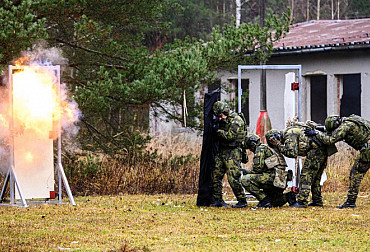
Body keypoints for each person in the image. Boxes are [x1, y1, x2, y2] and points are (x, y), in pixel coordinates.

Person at [305, 114, 370, 208]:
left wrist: (315, 133)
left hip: (368, 150)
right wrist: (318, 129)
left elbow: (330, 140)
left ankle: (351, 202)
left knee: (355, 174)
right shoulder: (352, 119)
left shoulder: (345, 127)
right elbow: (335, 131)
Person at [271, 121, 335, 208]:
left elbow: (292, 153)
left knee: (306, 176)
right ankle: (317, 201)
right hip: (322, 150)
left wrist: (278, 146)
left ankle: (302, 201)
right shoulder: (293, 130)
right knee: (315, 177)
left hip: (315, 151)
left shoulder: (289, 134)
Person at [240, 132, 296, 209]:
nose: (250, 150)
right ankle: (288, 196)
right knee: (274, 202)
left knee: (246, 180)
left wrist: (247, 172)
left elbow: (258, 168)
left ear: (252, 144)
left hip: (272, 178)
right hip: (280, 180)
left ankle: (264, 201)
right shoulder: (269, 148)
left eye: (250, 147)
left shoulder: (260, 149)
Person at [210, 101, 247, 208]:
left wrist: (217, 131)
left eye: (221, 116)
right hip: (222, 150)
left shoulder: (236, 121)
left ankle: (242, 200)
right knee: (215, 174)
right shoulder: (223, 120)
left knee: (233, 178)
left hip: (233, 152)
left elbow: (230, 136)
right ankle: (217, 199)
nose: (220, 118)